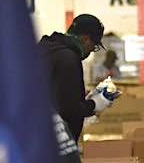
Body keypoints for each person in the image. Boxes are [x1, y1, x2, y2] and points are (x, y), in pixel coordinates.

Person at [39, 13, 114, 141]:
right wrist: (95, 104)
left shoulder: (47, 50)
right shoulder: (68, 58)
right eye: (93, 46)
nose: (91, 51)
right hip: (56, 143)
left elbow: (55, 95)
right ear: (85, 39)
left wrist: (78, 96)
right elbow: (69, 110)